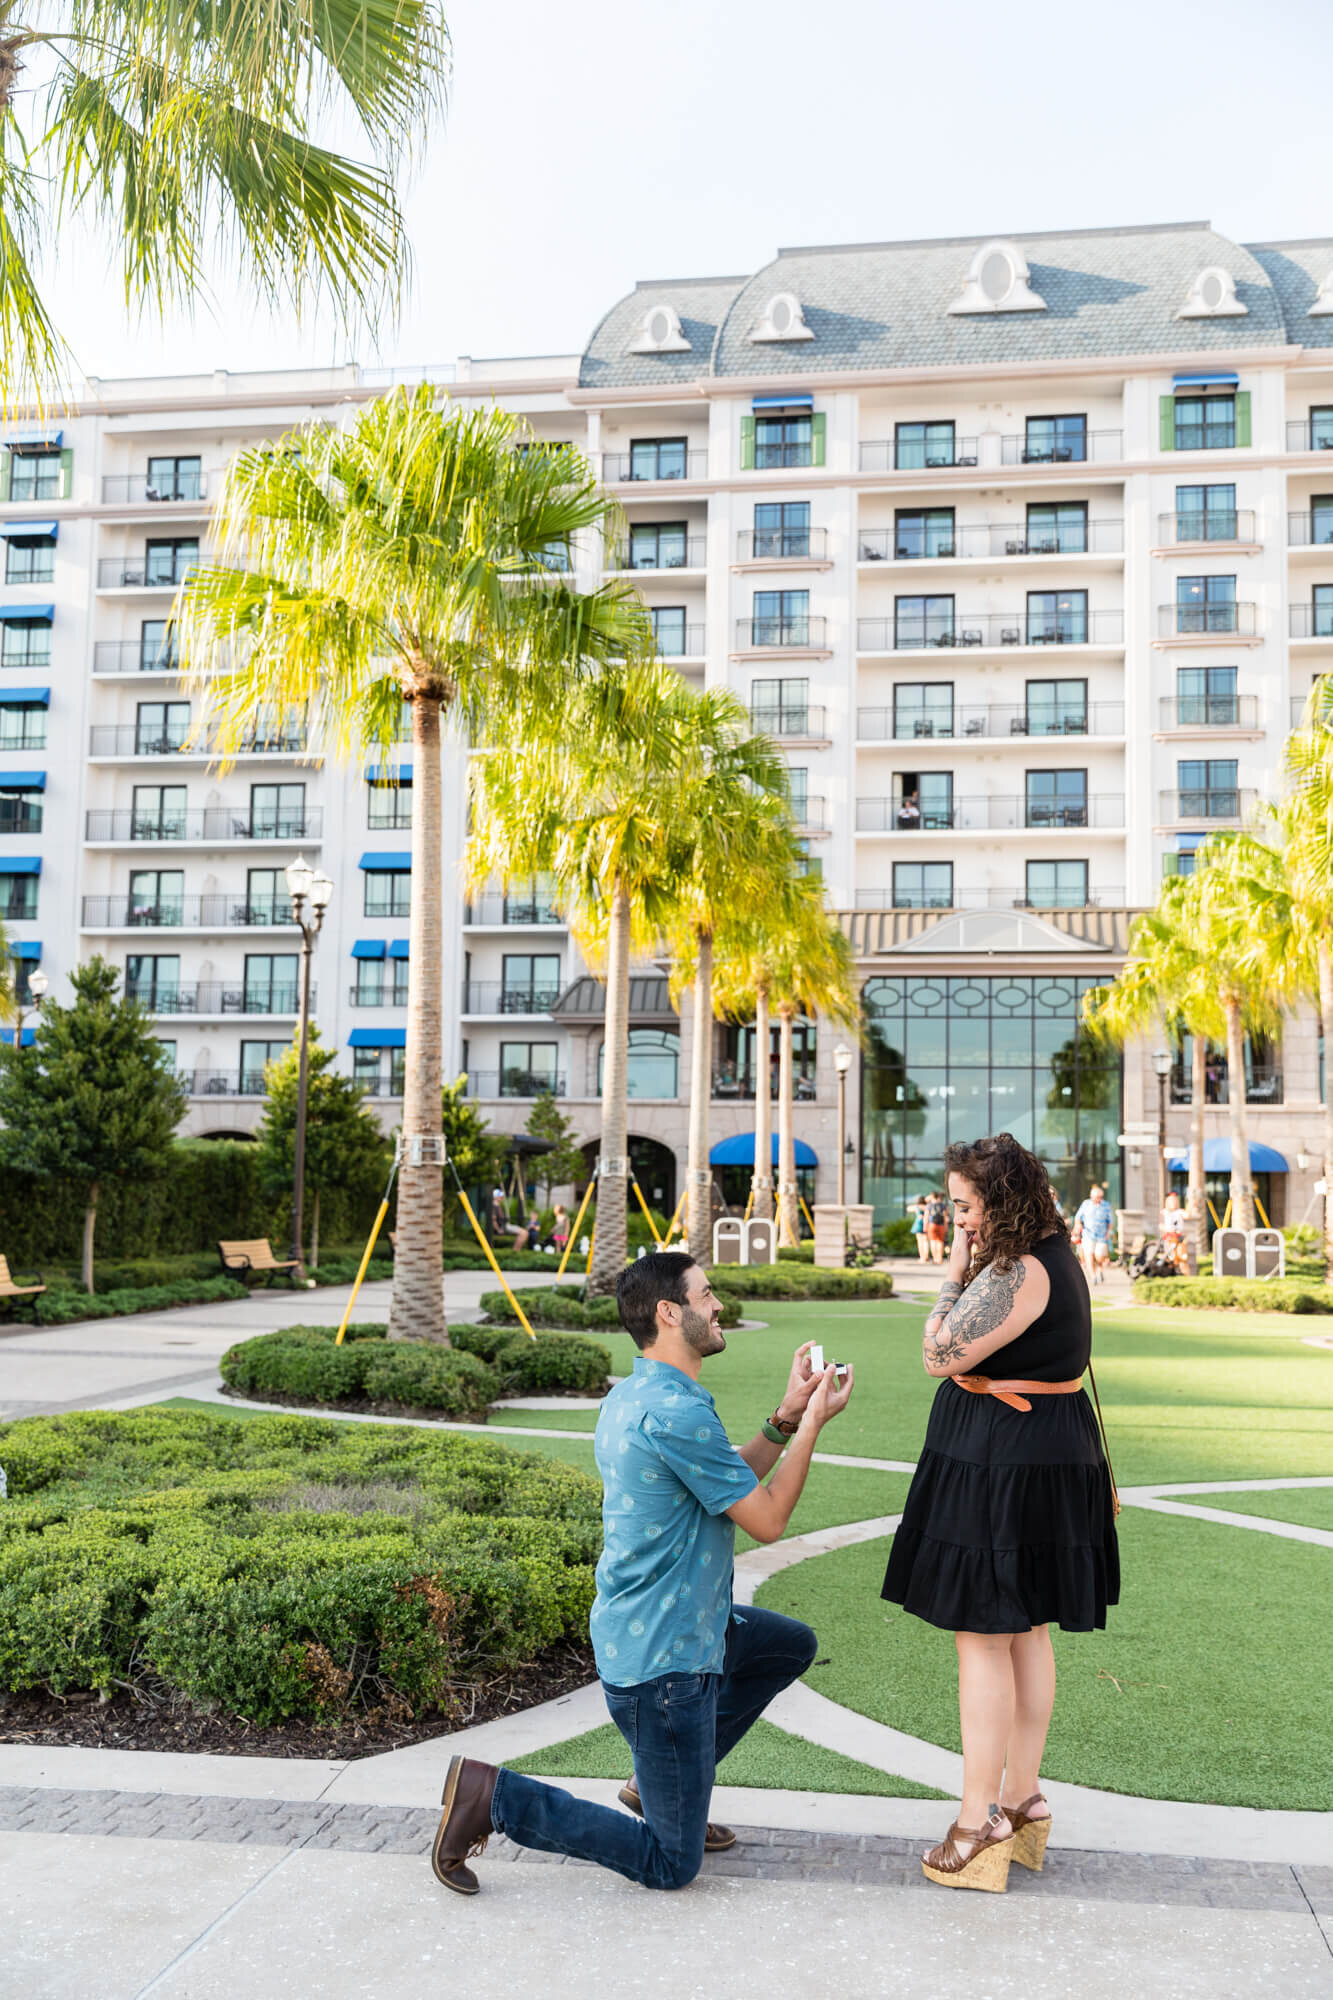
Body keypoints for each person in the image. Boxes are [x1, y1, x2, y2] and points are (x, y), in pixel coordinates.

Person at [429, 1250, 855, 1896]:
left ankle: (661, 1782)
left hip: (674, 1631)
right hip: (665, 1667)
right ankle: (491, 1797)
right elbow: (764, 1518)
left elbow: (724, 1475)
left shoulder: (638, 1395)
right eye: (705, 1294)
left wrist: (786, 1416)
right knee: (669, 1862)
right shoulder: (674, 1412)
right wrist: (814, 1427)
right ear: (668, 1311)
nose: (717, 1306)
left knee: (785, 1646)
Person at [882, 1134, 1119, 1894]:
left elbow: (939, 1354)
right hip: (1039, 1447)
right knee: (1022, 1628)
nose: (959, 1220)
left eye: (963, 1205)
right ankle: (1021, 1800)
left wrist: (952, 1276)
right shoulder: (1051, 1255)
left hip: (1006, 1456)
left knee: (982, 1634)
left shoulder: (1015, 1269)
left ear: (997, 1200)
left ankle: (976, 1821)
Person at [1072, 1183, 1113, 1286]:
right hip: (1088, 1235)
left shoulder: (1106, 1205)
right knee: (1089, 1255)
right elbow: (1078, 1218)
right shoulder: (1086, 1204)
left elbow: (1110, 1221)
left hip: (1101, 1236)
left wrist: (1108, 1232)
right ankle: (1093, 1277)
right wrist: (1078, 1226)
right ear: (1091, 1196)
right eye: (1096, 1197)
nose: (1098, 1199)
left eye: (1100, 1197)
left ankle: (1100, 1268)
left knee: (1099, 1256)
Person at [1159, 1190, 1188, 1273]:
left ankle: (1186, 1276)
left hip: (1179, 1238)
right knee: (1170, 1259)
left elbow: (1187, 1215)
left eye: (1175, 1200)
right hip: (1169, 1238)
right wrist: (1167, 1229)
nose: (1174, 1203)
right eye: (1172, 1201)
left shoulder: (1180, 1212)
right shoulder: (1164, 1212)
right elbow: (1161, 1225)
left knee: (1182, 1258)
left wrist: (1191, 1204)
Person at [925, 1188, 950, 1263]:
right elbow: (945, 1217)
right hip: (941, 1225)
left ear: (932, 1196)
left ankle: (935, 1258)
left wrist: (925, 1226)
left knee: (933, 1242)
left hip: (932, 1225)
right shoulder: (942, 1205)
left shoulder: (929, 1205)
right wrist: (946, 1226)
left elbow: (926, 1217)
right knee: (940, 1242)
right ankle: (940, 1258)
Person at [911, 1195, 931, 1262]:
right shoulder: (927, 1207)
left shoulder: (917, 1207)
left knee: (920, 1242)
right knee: (926, 1241)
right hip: (926, 1223)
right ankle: (926, 1257)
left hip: (918, 1223)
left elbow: (908, 1208)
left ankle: (922, 1257)